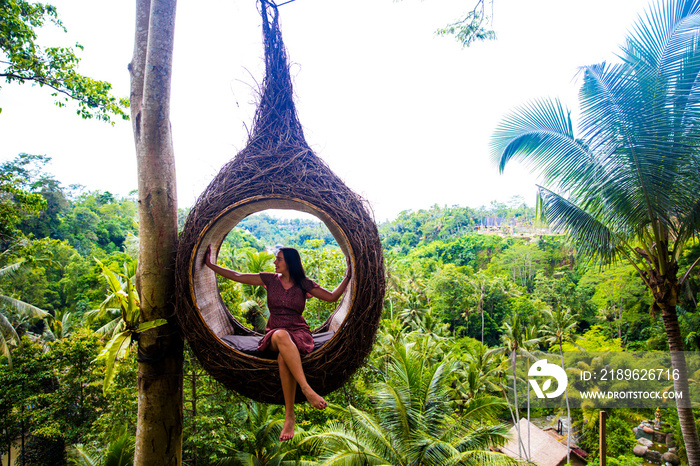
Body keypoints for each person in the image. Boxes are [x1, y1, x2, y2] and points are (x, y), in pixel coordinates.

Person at [204, 244, 351, 441]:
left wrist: (348, 277)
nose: (275, 262)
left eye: (278, 259)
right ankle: (306, 389)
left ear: (290, 262)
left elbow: (332, 297)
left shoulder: (303, 284)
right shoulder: (270, 279)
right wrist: (210, 265)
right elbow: (237, 276)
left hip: (299, 332)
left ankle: (289, 415)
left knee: (284, 357)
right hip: (275, 332)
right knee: (281, 336)